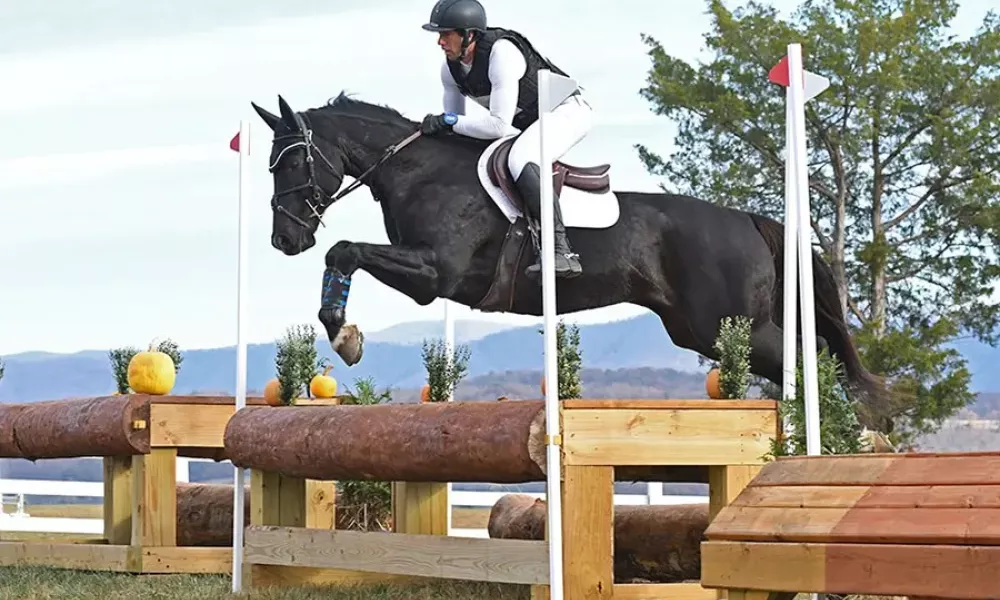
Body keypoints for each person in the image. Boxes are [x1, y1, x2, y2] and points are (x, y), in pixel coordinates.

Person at [419, 0, 592, 279]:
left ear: (469, 35)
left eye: (446, 34)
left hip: (568, 111)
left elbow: (498, 126)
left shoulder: (502, 53)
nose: (440, 42)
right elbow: (455, 127)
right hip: (530, 123)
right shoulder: (449, 69)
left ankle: (561, 250)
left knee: (520, 158)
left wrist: (448, 121)